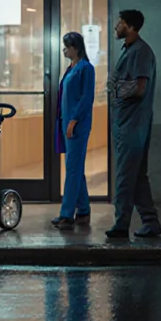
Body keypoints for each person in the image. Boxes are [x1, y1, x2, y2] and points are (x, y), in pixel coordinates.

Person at [106, 9, 161, 239]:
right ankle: (150, 222)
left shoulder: (140, 52)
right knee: (137, 175)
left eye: (120, 23)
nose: (116, 27)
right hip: (127, 122)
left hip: (132, 124)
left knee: (125, 175)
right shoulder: (130, 50)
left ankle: (121, 224)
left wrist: (114, 88)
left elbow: (139, 88)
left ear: (130, 27)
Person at [53, 31, 95, 229]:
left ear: (75, 48)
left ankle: (67, 213)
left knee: (72, 168)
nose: (64, 50)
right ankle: (84, 210)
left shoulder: (86, 69)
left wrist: (73, 120)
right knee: (76, 168)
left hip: (76, 125)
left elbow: (86, 98)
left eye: (66, 47)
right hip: (66, 122)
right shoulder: (71, 68)